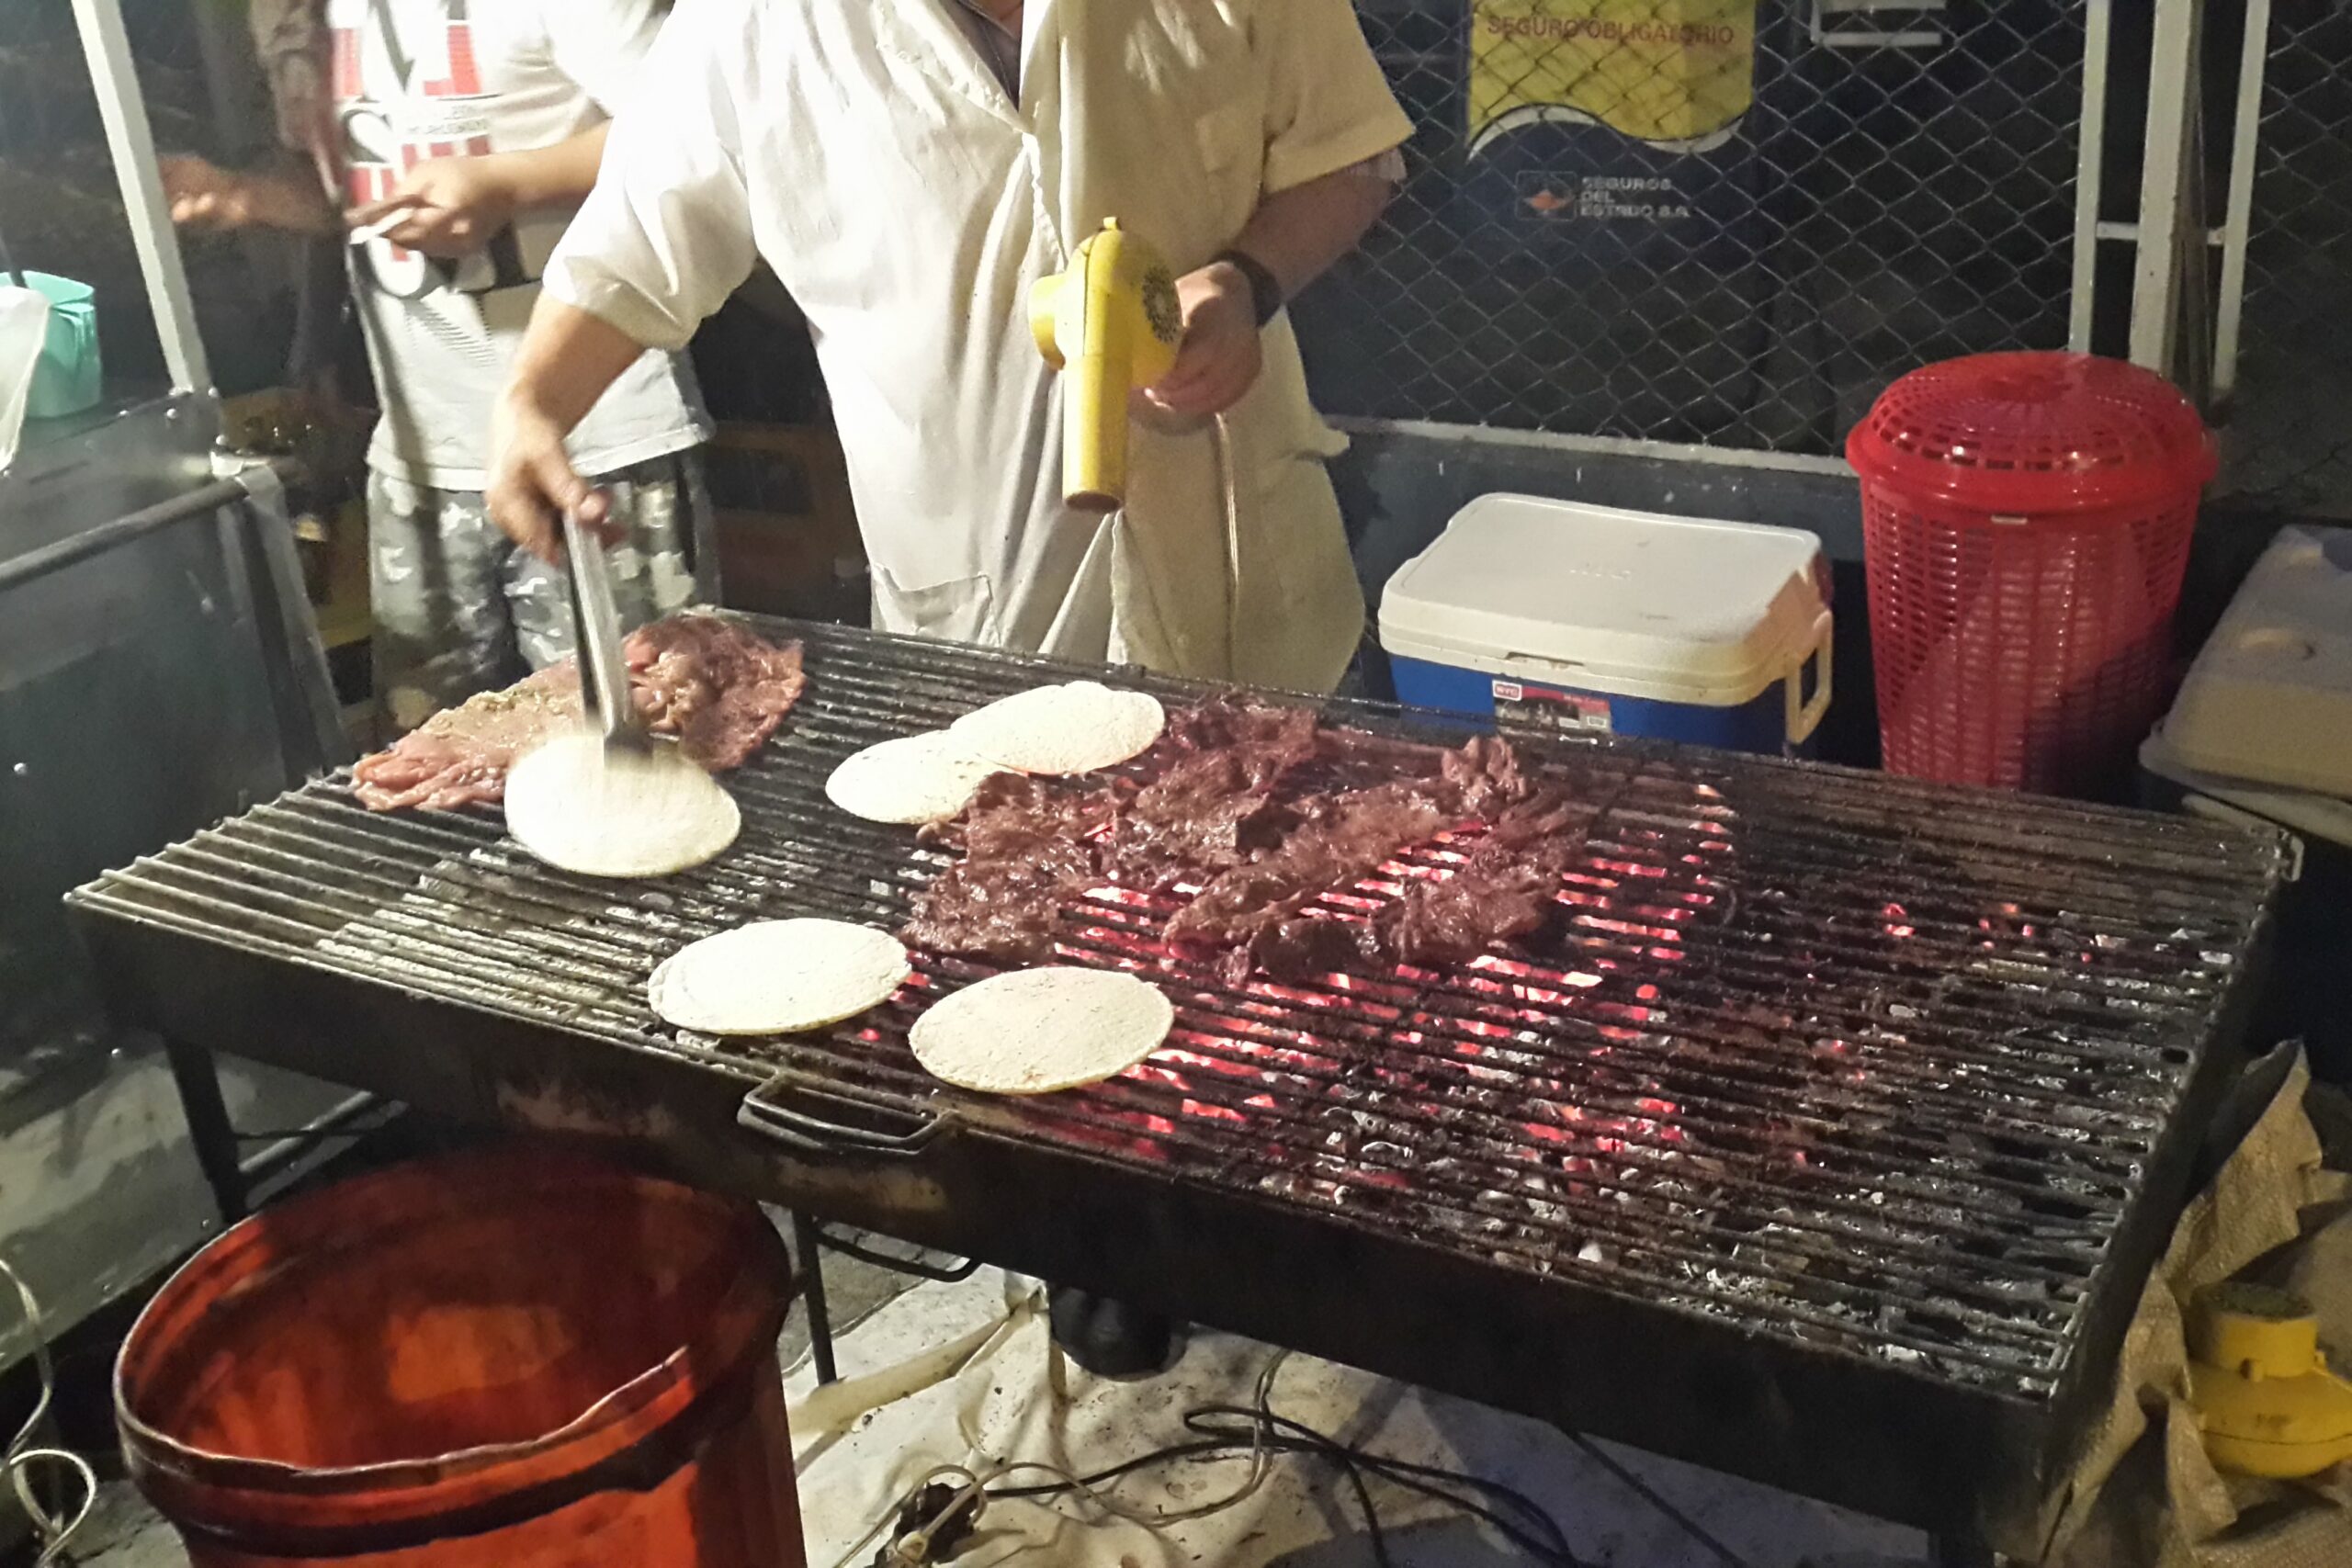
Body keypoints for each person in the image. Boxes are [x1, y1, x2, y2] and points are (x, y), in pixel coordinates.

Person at [488, 0, 1411, 697]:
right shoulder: (751, 26)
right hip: (981, 627)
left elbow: (1348, 157)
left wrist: (1247, 281)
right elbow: (631, 254)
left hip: (1253, 599)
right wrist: (535, 403)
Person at [165, 0, 715, 733]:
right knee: (438, 760)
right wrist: (242, 195)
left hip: (596, 444)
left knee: (639, 743)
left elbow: (697, 126)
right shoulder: (303, 17)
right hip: (420, 458)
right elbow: (348, 194)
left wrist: (511, 182)